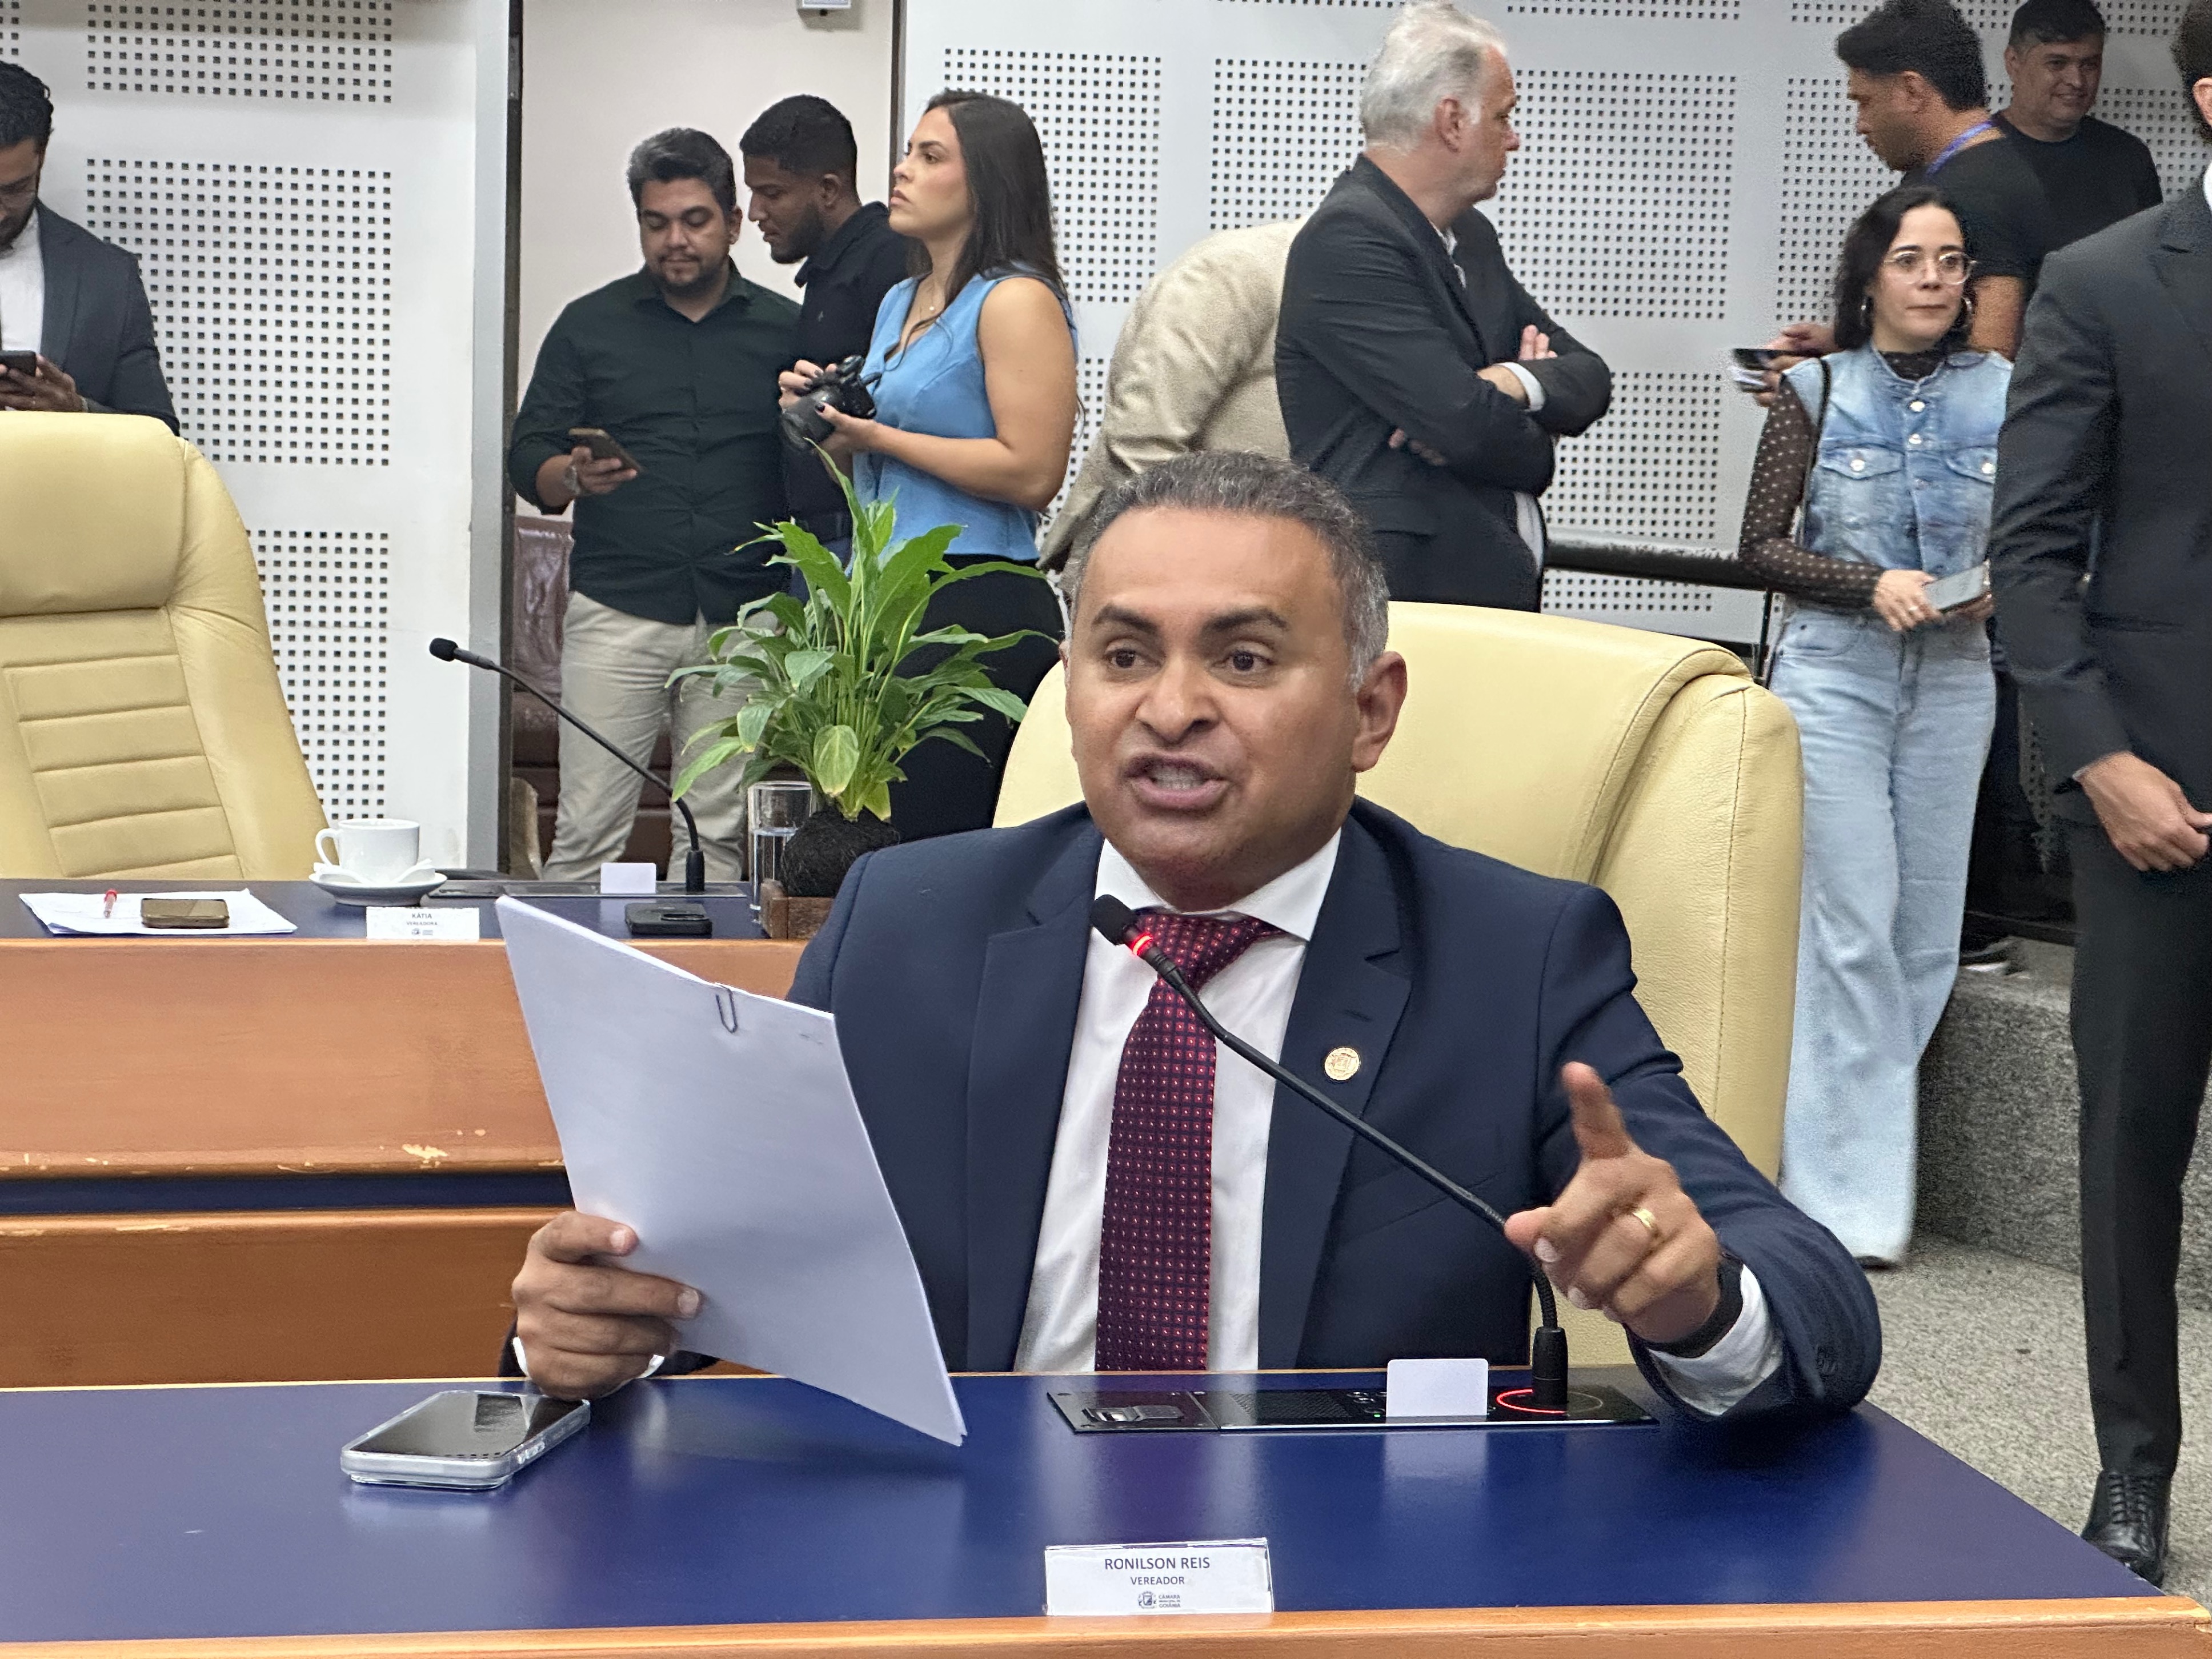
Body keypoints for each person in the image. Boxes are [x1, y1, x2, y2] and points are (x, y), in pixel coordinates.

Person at [507, 450, 1883, 1428]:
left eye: (1242, 658)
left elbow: (1811, 1295)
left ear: (1369, 710)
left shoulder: (1514, 957)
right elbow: (707, 1290)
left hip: (1344, 1583)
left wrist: (1697, 1302)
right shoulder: (905, 928)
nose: (1170, 709)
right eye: (1123, 655)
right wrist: (583, 1339)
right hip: (965, 1569)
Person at [1986, 1, 2212, 1587]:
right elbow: (2030, 553)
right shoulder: (2109, 278)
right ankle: (2132, 1470)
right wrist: (2102, 761)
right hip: (2152, 801)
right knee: (2131, 1146)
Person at [1740, 186, 2008, 1271]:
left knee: (1923, 936)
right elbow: (1761, 545)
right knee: (1851, 923)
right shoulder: (1816, 388)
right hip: (1835, 677)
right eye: (1911, 259)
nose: (1934, 278)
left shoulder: (2008, 391)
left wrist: (2001, 585)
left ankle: (1845, 1166)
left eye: (1951, 260)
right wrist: (1867, 584)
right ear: (1870, 279)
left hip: (1956, 677)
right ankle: (1848, 1205)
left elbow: (2046, 528)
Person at [779, 91, 1076, 841]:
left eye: (930, 156)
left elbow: (1033, 472)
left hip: (973, 597)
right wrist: (831, 426)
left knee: (936, 837)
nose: (901, 171)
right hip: (883, 597)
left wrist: (880, 438)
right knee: (873, 838)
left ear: (987, 183)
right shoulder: (900, 301)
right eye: (908, 151)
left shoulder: (1015, 300)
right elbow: (875, 468)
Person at [508, 129, 797, 883]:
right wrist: (571, 477)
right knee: (586, 837)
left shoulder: (786, 330)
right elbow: (527, 458)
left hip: (745, 616)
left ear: (733, 223)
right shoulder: (589, 326)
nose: (675, 240)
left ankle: (701, 966)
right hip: (620, 608)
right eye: (656, 222)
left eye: (695, 220)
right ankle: (566, 965)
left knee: (719, 846)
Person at [1276, 5, 1610, 612]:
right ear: (1452, 122)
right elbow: (1465, 426)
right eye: (1504, 116)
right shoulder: (1348, 240)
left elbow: (1590, 378)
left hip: (1479, 592)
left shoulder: (1471, 238)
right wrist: (1534, 435)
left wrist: (1508, 382)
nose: (1515, 138)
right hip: (1404, 603)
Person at [1765, 0, 2057, 372]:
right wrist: (1844, 347)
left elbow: (1988, 360)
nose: (1860, 125)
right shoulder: (1964, 174)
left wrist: (1832, 384)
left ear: (1911, 90)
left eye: (1865, 102)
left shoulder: (1982, 190)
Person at [1040, 218, 1301, 570]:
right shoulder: (1243, 267)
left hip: (1296, 566)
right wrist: (1190, 570)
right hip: (1197, 568)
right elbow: (1140, 443)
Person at [739, 95, 912, 554]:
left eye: (772, 193)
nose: (755, 212)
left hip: (865, 537)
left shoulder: (890, 260)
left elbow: (908, 412)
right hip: (826, 535)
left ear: (829, 189)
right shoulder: (832, 270)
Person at [0, 63, 175, 427]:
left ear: (42, 155)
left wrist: (80, 414)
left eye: (13, 190)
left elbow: (160, 435)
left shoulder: (107, 277)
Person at [1996, 0, 2165, 245]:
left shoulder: (2128, 157)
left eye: (2089, 65)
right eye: (2057, 63)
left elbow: (2150, 257)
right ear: (2013, 63)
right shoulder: (1971, 155)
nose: (2076, 81)